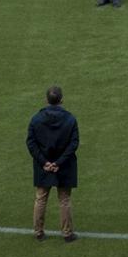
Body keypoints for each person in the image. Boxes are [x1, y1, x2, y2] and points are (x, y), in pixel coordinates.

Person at [27, 84, 80, 242]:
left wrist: (44, 162)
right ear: (61, 100)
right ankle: (67, 233)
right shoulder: (70, 119)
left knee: (41, 198)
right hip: (64, 166)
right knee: (64, 199)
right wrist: (59, 162)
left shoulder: (36, 119)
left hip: (43, 165)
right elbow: (74, 143)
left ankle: (38, 232)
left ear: (46, 100)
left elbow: (31, 143)